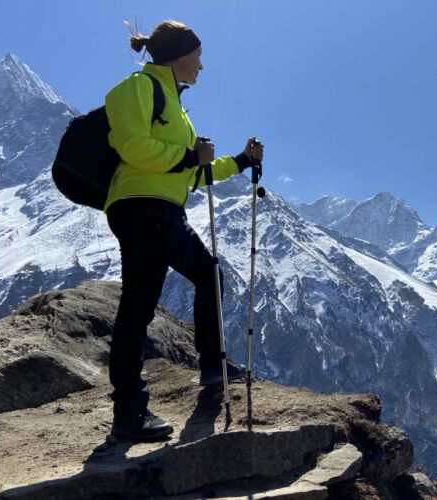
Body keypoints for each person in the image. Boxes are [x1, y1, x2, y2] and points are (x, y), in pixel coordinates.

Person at [104, 19, 263, 442]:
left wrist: (240, 162)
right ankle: (129, 413)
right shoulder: (136, 89)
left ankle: (212, 366)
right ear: (178, 56)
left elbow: (192, 172)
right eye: (197, 55)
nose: (202, 65)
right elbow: (132, 146)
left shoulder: (175, 104)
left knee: (209, 272)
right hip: (140, 207)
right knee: (138, 306)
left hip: (167, 210)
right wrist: (189, 154)